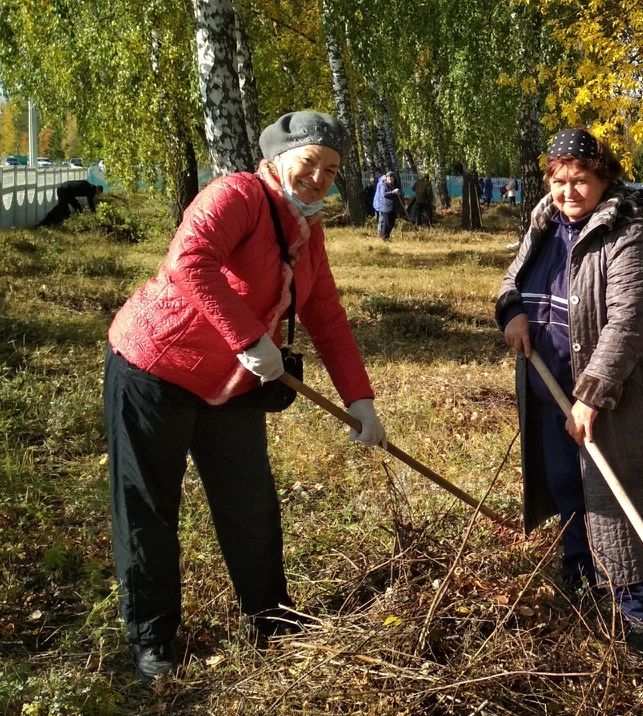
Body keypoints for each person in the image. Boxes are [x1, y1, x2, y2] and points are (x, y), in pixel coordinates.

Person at [104, 111, 388, 683]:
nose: (320, 178)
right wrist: (249, 337)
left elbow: (326, 315)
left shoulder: (309, 232)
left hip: (231, 385)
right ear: (278, 158)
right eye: (311, 162)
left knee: (249, 504)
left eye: (332, 170)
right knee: (148, 508)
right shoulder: (236, 194)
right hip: (155, 369)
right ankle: (152, 639)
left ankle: (271, 620)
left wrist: (359, 399)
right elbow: (190, 262)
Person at [495, 128, 643, 653]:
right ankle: (579, 578)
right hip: (549, 381)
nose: (568, 192)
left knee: (619, 495)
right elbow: (511, 280)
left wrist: (592, 394)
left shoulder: (628, 234)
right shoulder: (544, 224)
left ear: (603, 180)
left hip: (616, 395)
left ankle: (637, 609)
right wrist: (513, 313)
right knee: (566, 485)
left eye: (581, 181)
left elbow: (629, 323)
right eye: (559, 180)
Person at [37, 180, 103, 226]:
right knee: (62, 209)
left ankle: (53, 222)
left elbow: (73, 194)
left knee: (78, 207)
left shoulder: (89, 186)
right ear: (97, 189)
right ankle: (45, 222)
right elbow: (91, 203)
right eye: (98, 193)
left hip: (68, 192)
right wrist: (95, 215)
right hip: (64, 190)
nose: (97, 195)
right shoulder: (91, 189)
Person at [373, 170, 403, 241]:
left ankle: (387, 237)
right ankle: (383, 238)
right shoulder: (384, 184)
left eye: (391, 178)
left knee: (392, 223)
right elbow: (384, 194)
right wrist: (393, 192)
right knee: (386, 223)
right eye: (389, 178)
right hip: (385, 207)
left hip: (393, 207)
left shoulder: (395, 185)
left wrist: (399, 193)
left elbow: (401, 193)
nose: (390, 179)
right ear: (386, 178)